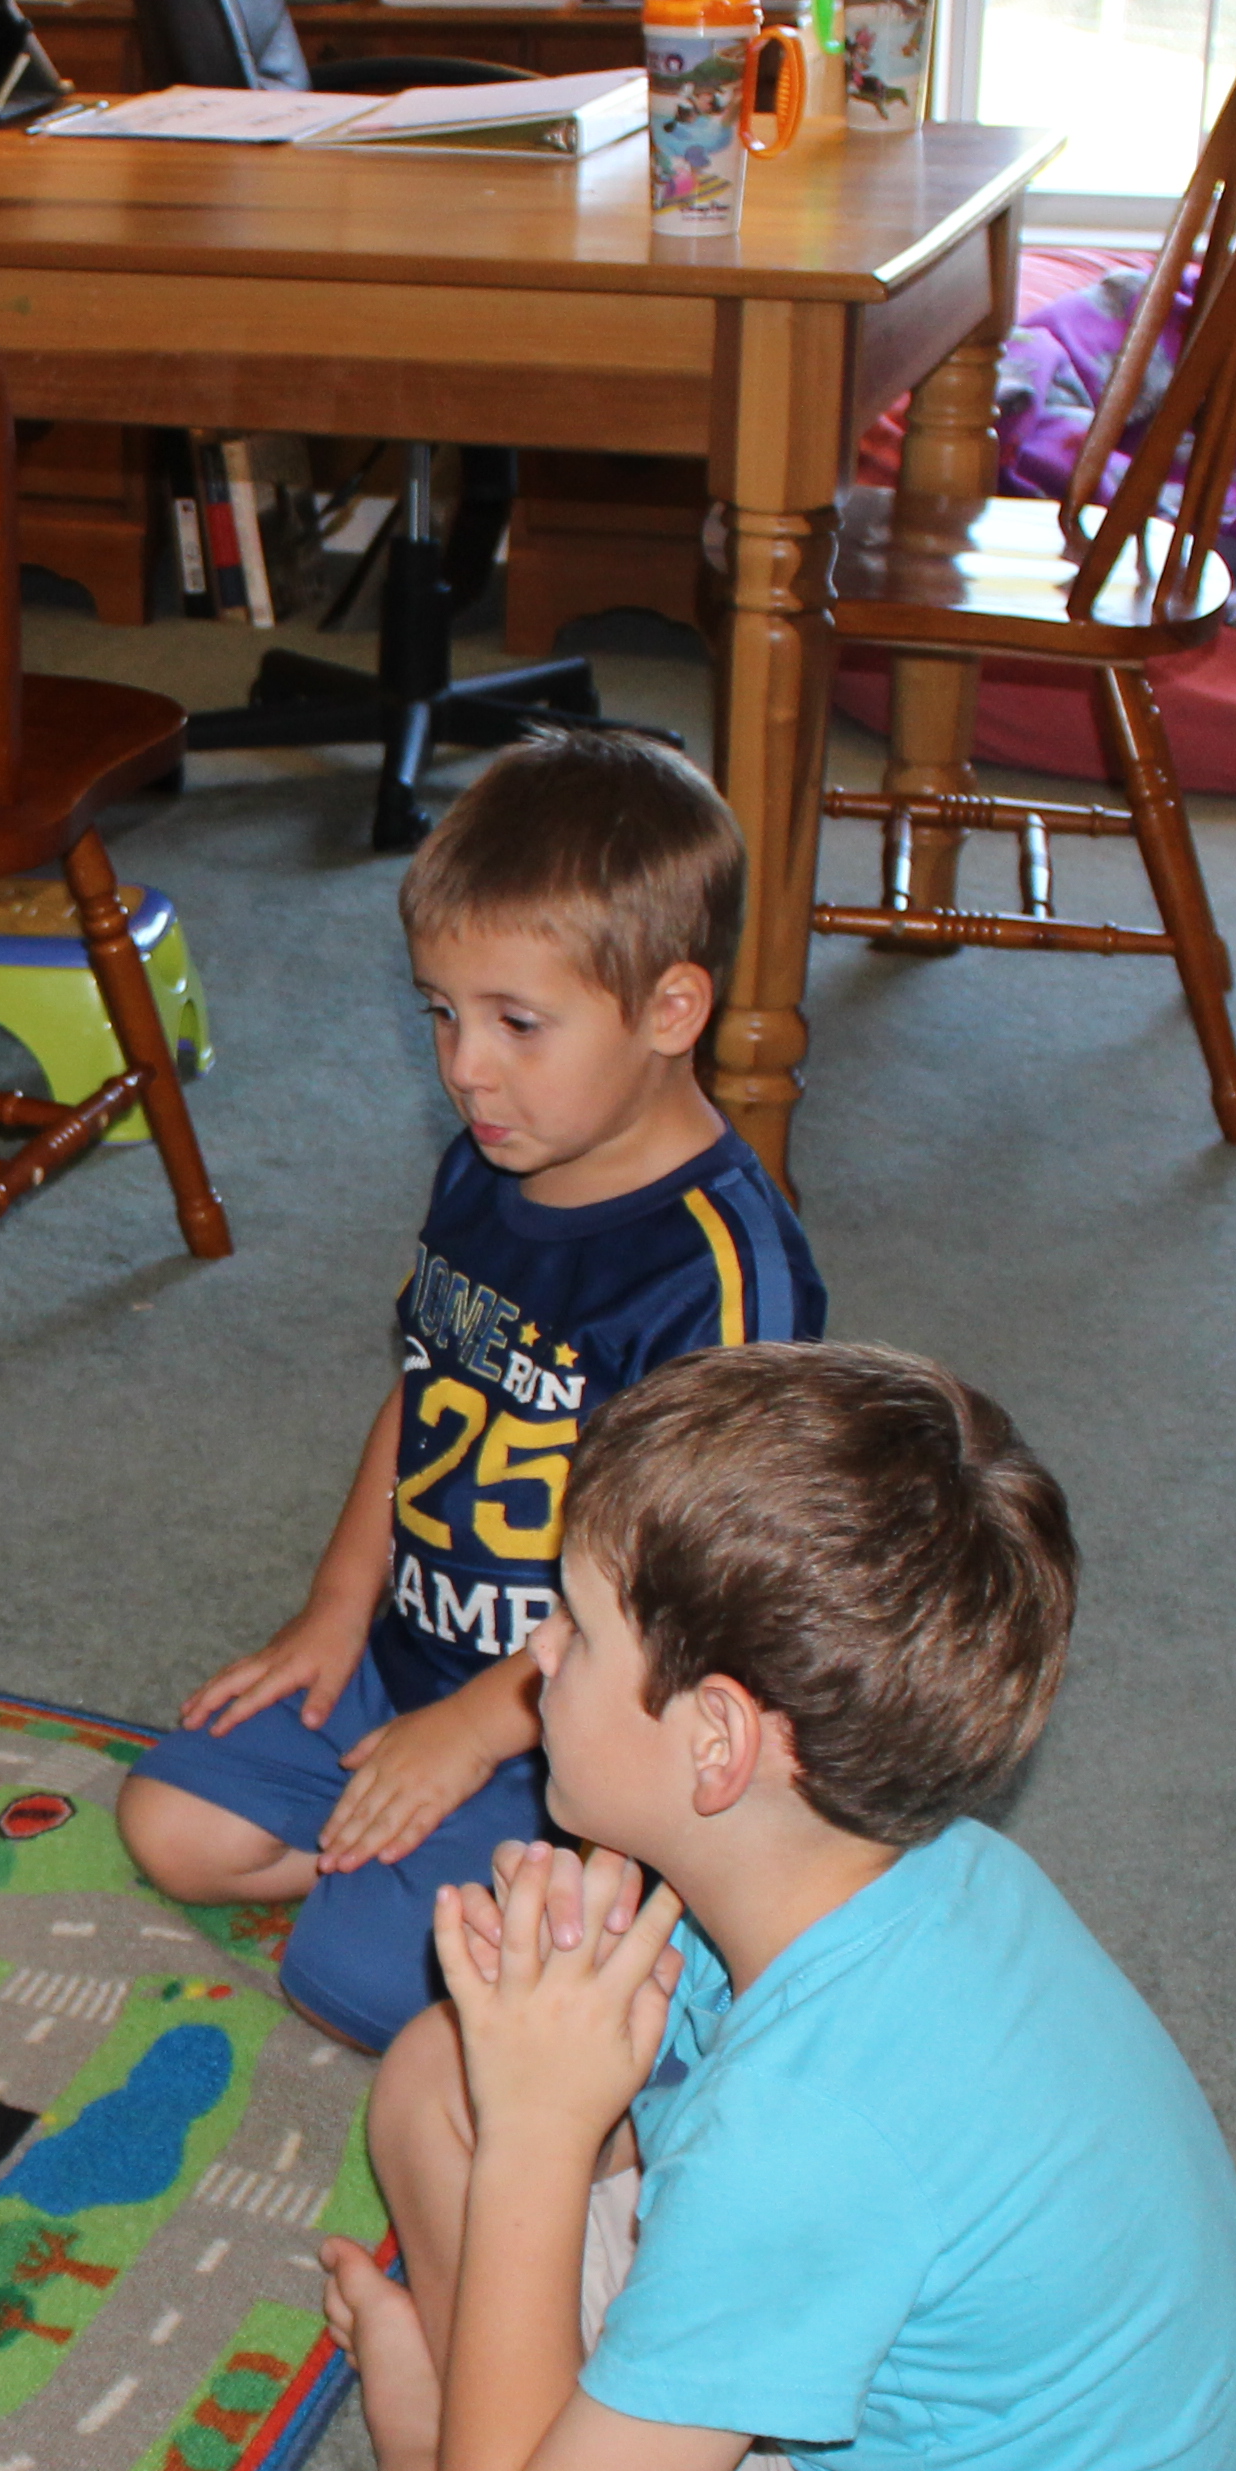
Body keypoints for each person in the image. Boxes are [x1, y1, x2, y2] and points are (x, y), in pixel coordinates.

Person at [189, 1342, 1236, 2471]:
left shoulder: (820, 2131)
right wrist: (566, 2024)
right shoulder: (867, 1869)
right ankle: (489, 2451)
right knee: (443, 2075)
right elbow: (707, 2117)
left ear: (716, 1743)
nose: (527, 1661)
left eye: (572, 1622)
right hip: (853, 2380)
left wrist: (558, 2131)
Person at [116, 731, 820, 2051]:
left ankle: (633, 1927)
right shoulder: (488, 1164)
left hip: (591, 1734)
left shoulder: (725, 1283)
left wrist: (474, 1733)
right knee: (171, 1829)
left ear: (673, 1011)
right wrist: (335, 1611)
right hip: (410, 1662)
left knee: (364, 1985)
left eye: (515, 1023)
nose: (464, 1068)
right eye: (442, 1011)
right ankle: (428, 1858)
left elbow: (688, 1601)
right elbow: (424, 1387)